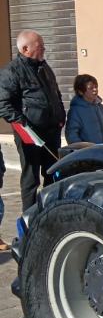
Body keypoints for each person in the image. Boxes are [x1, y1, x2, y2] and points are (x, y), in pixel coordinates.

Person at [0, 30, 66, 208]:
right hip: (30, 134)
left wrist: (61, 116)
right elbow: (3, 103)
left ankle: (51, 210)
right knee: (31, 179)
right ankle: (29, 218)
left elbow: (55, 94)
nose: (44, 49)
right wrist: (22, 123)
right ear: (25, 48)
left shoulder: (44, 67)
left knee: (52, 173)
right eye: (40, 46)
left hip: (51, 131)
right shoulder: (11, 71)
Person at [65, 74, 103, 145]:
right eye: (91, 88)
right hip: (88, 153)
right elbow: (72, 135)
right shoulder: (75, 111)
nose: (95, 90)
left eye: (96, 87)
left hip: (102, 150)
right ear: (80, 91)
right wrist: (83, 150)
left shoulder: (101, 108)